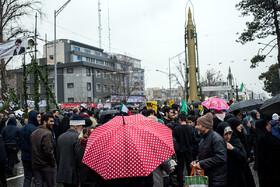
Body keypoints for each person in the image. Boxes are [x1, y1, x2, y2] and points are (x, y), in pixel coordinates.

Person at [190, 112, 227, 187]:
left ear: (205, 126)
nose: (196, 127)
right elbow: (206, 156)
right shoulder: (204, 139)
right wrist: (196, 162)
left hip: (216, 180)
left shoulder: (216, 139)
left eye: (198, 125)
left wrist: (201, 163)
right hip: (209, 178)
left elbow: (221, 157)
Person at [56, 114, 85, 187]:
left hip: (62, 173)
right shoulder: (78, 138)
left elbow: (57, 156)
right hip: (74, 175)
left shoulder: (60, 137)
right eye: (82, 126)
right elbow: (79, 158)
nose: (83, 128)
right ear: (76, 126)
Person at [227, 117, 255, 187]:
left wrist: (248, 156)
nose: (241, 125)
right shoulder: (231, 140)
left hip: (245, 167)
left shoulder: (241, 134)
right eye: (238, 124)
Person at [216, 122, 247, 187]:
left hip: (237, 176)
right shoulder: (216, 144)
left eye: (230, 133)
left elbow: (243, 157)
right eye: (226, 134)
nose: (228, 136)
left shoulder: (235, 141)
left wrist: (233, 149)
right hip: (223, 177)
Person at [30, 114, 56, 187]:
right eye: (51, 121)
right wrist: (53, 163)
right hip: (46, 165)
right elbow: (48, 151)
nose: (53, 123)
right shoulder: (47, 133)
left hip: (36, 164)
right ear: (44, 122)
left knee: (38, 184)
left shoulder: (34, 133)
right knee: (51, 184)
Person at [255, 117, 280, 187]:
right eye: (267, 124)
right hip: (270, 170)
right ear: (263, 126)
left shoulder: (262, 136)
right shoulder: (264, 138)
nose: (269, 125)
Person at [19, 111, 41, 187]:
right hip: (34, 157)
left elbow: (20, 143)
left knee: (27, 178)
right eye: (38, 117)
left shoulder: (22, 128)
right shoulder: (35, 129)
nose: (39, 119)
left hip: (25, 156)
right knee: (37, 178)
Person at [173, 113, 194, 187]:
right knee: (189, 167)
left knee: (180, 168)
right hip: (189, 149)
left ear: (179, 119)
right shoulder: (191, 128)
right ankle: (190, 183)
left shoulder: (176, 129)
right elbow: (193, 139)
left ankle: (180, 183)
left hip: (180, 151)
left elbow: (174, 141)